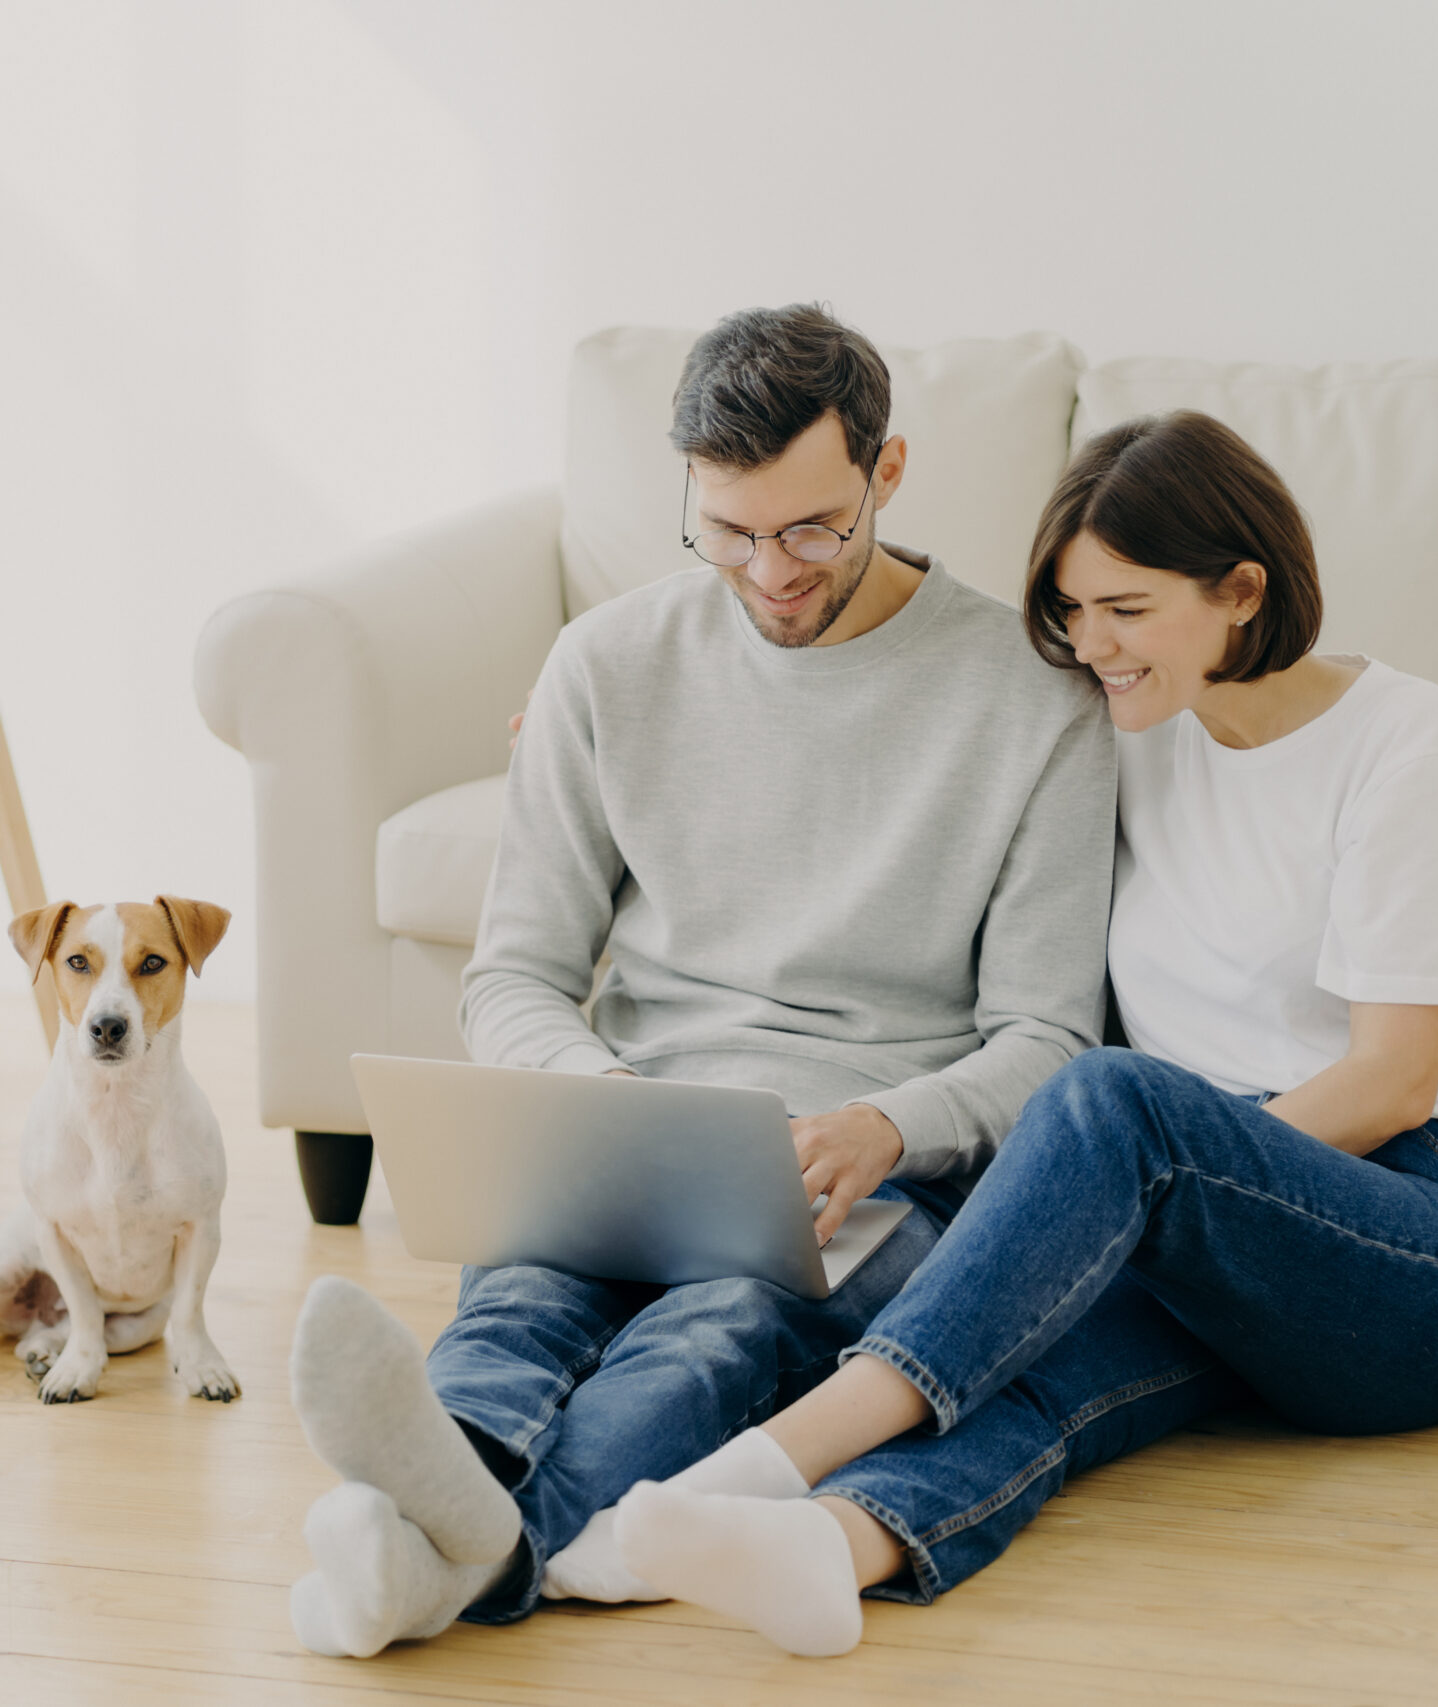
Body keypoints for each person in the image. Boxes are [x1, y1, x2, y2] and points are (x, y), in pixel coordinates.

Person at [599, 409, 1438, 1656]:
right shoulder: (1131, 733)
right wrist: (613, 723)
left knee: (1116, 1104)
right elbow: (891, 738)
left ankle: (763, 1460)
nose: (1088, 647)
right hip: (1217, 1216)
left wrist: (1151, 1183)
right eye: (1069, 610)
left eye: (1124, 609)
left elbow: (1390, 1082)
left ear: (1239, 591)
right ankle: (831, 1552)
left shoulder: (1405, 744)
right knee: (1034, 1371)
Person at [284, 303, 1120, 1657]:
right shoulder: (607, 662)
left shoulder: (1033, 695)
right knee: (520, 1296)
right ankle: (458, 1503)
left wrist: (888, 1124)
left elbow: (1049, 1035)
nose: (772, 570)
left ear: (887, 475)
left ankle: (440, 1544)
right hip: (632, 1117)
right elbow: (515, 977)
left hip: (864, 1160)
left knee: (716, 1328)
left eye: (811, 529)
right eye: (728, 531)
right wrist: (596, 1090)